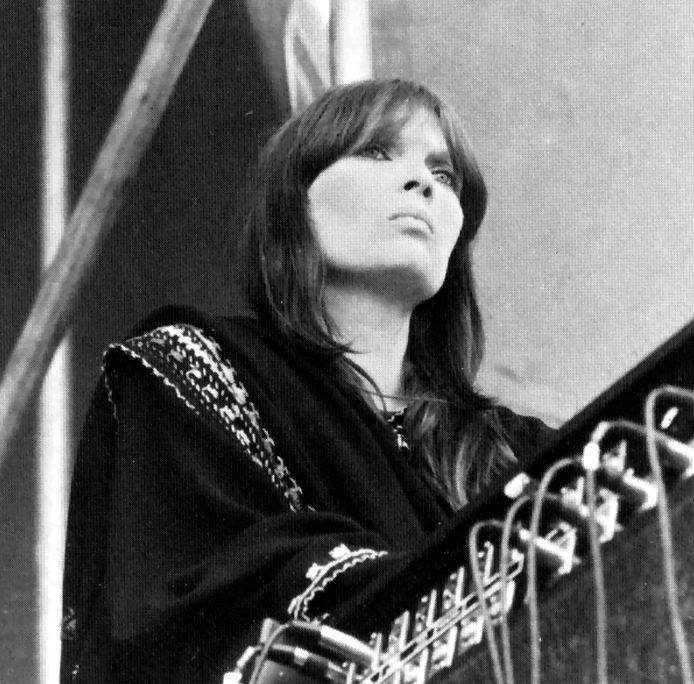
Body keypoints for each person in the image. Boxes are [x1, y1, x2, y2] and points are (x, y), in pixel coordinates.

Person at [60, 79, 554, 683]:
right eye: (377, 151)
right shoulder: (191, 371)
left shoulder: (523, 456)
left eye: (444, 174)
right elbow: (174, 615)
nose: (423, 183)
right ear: (297, 201)